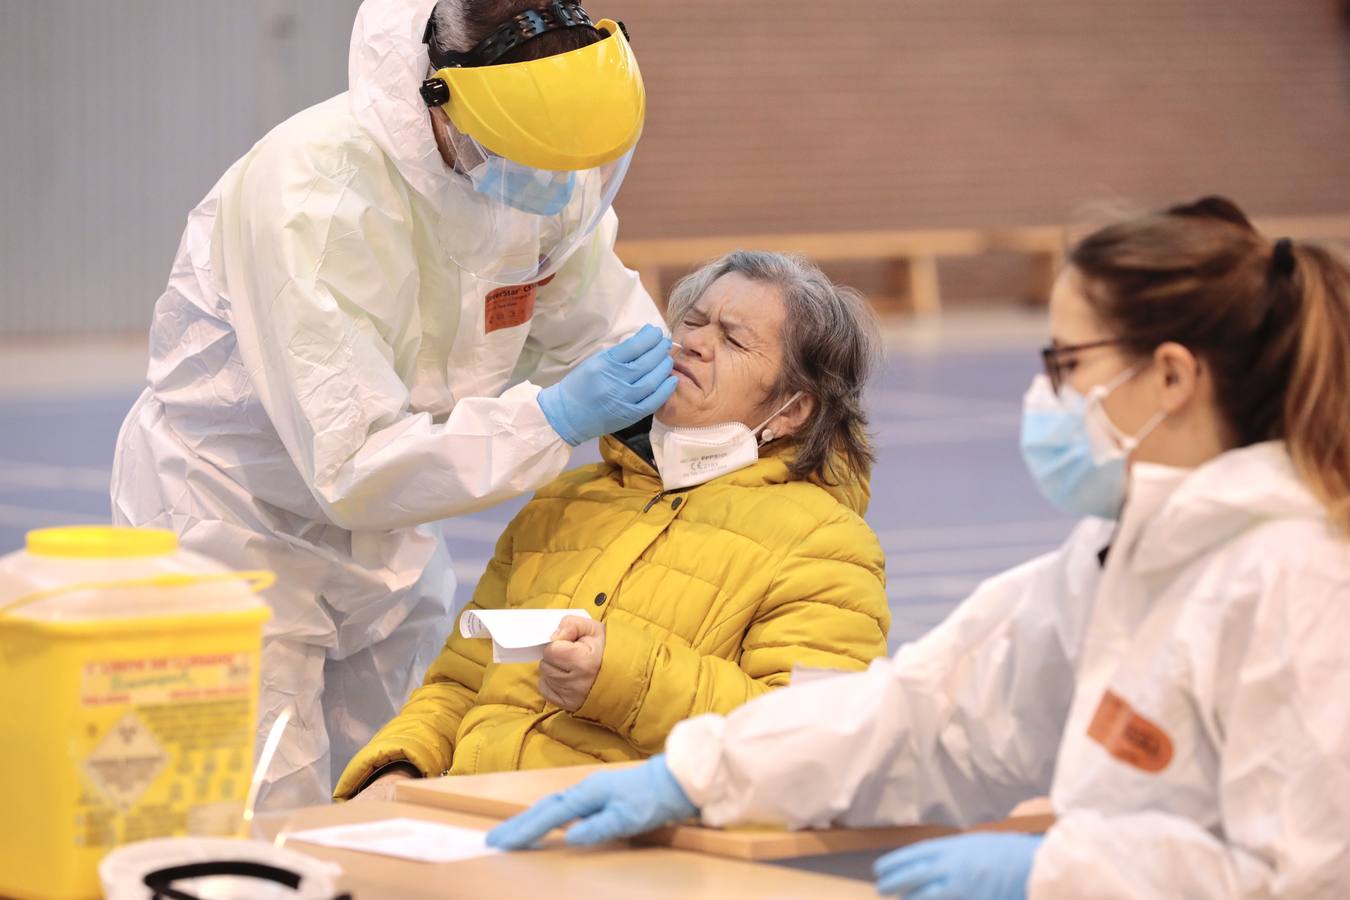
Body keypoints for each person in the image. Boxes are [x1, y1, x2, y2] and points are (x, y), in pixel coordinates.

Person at [488, 197, 1350, 899]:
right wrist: (699, 773)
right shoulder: (1115, 561)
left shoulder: (1304, 583)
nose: (1045, 392)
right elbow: (925, 714)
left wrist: (1061, 874)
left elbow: (1307, 875)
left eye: (1066, 362)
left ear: (1170, 376)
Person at [110, 0, 675, 808]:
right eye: (535, 160)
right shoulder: (316, 197)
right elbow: (355, 461)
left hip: (391, 544)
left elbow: (591, 308)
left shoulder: (543, 156)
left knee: (398, 789)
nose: (557, 187)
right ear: (442, 103)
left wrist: (671, 421)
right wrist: (548, 420)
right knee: (254, 815)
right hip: (236, 524)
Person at [334, 251, 892, 801]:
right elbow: (460, 682)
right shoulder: (564, 502)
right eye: (692, 322)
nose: (694, 342)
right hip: (470, 825)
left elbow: (804, 739)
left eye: (734, 339)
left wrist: (622, 677)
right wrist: (399, 770)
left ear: (793, 409)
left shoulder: (827, 546)